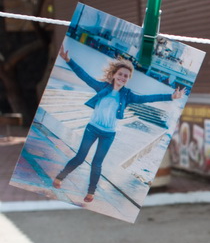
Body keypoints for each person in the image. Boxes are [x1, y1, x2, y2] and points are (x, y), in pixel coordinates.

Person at [52, 44, 186, 203]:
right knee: (80, 157)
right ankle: (61, 177)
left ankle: (91, 192)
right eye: (121, 74)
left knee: (97, 163)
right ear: (114, 75)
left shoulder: (127, 96)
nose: (122, 77)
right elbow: (84, 76)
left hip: (108, 134)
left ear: (128, 79)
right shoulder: (102, 87)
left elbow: (147, 98)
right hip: (92, 129)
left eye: (126, 76)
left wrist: (171, 96)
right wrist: (68, 60)